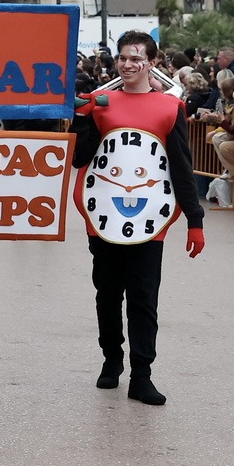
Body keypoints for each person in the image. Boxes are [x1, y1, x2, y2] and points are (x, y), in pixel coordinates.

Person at [70, 30, 205, 407]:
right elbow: (81, 159)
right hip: (103, 216)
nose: (127, 65)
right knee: (107, 293)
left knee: (144, 298)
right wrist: (81, 121)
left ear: (152, 63)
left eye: (135, 59)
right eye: (123, 58)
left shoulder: (169, 108)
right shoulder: (101, 104)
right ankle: (111, 359)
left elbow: (180, 166)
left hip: (151, 219)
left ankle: (141, 375)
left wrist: (194, 219)